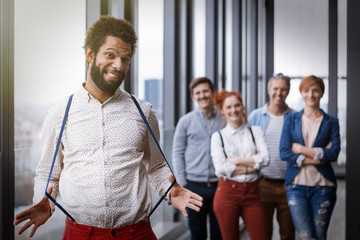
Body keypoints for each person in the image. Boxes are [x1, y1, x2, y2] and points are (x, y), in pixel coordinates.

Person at [13, 16, 203, 240]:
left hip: (137, 233)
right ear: (90, 54)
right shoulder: (59, 114)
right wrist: (42, 199)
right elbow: (47, 173)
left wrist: (171, 190)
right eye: (111, 55)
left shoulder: (143, 111)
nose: (119, 66)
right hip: (81, 234)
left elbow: (156, 166)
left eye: (125, 59)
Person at [280, 75, 340, 240]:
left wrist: (301, 149)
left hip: (323, 186)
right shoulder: (291, 119)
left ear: (321, 93)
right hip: (296, 187)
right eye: (306, 90)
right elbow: (284, 152)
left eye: (315, 90)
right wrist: (319, 155)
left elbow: (334, 153)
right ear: (301, 93)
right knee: (306, 236)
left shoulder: (331, 122)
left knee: (320, 235)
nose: (311, 95)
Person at [211, 89, 269, 240]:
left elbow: (266, 158)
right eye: (228, 107)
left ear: (242, 107)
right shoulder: (218, 137)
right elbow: (221, 168)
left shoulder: (255, 131)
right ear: (222, 111)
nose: (233, 110)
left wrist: (236, 162)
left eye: (237, 105)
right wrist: (251, 165)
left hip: (252, 194)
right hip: (227, 194)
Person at [172, 77, 223, 240]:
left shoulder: (224, 119)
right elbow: (177, 154)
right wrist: (182, 184)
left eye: (205, 91)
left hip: (220, 186)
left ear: (213, 93)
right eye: (198, 93)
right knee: (197, 234)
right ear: (193, 97)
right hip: (194, 187)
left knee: (219, 234)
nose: (202, 96)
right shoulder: (185, 121)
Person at [248, 73, 295, 240]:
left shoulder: (296, 117)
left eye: (283, 89)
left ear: (288, 92)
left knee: (288, 234)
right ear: (269, 90)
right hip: (263, 184)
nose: (279, 93)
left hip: (290, 186)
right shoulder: (255, 116)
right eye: (275, 88)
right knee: (262, 234)